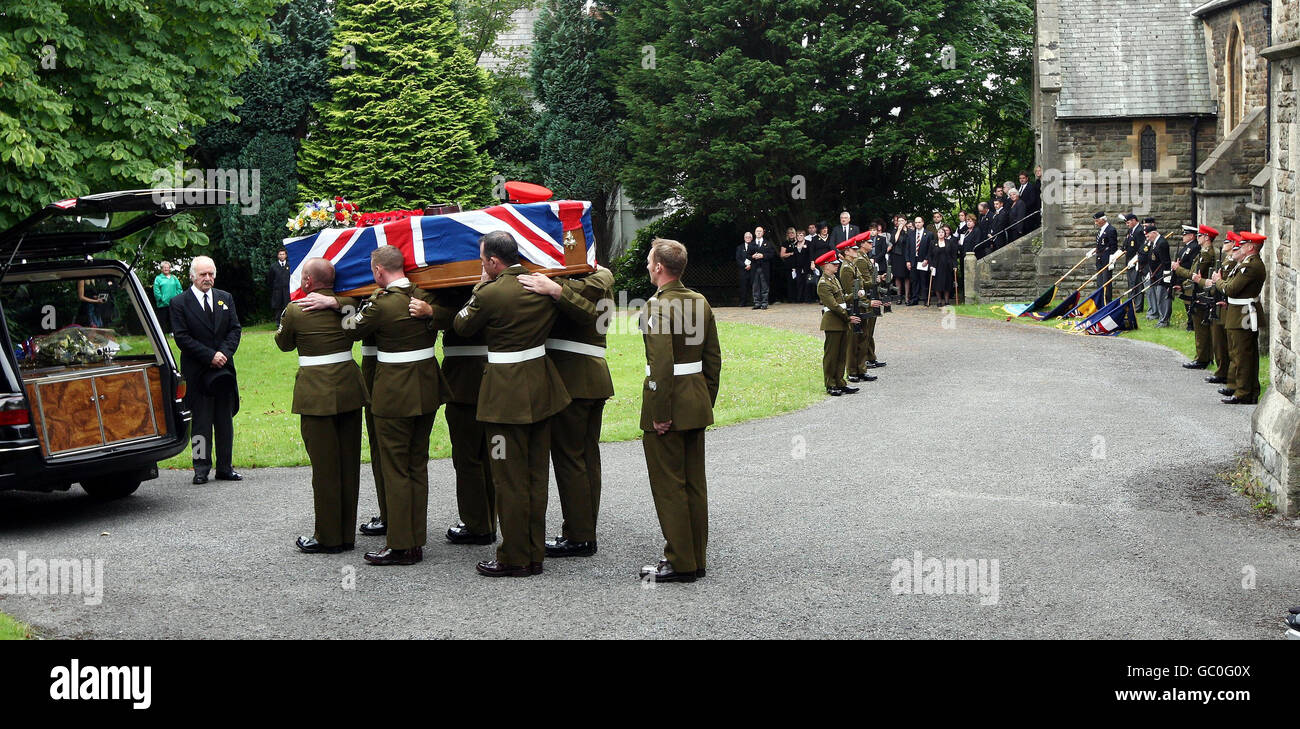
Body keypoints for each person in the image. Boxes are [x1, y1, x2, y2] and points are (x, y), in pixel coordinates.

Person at [454, 232, 571, 577]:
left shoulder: (490, 293)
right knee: (536, 476)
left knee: (508, 478)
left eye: (482, 261)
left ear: (492, 262)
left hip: (505, 400)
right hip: (541, 391)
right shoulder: (542, 286)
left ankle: (515, 557)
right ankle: (534, 553)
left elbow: (462, 326)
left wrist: (477, 288)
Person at [343, 245, 449, 566]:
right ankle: (415, 538)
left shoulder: (380, 305)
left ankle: (403, 545)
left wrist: (340, 302)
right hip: (427, 391)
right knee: (417, 465)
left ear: (378, 272)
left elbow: (350, 329)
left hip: (394, 396)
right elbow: (450, 315)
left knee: (396, 469)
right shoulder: (424, 297)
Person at [638, 238, 722, 583]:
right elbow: (713, 358)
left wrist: (660, 412)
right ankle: (695, 558)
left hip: (669, 405)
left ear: (659, 267)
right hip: (695, 401)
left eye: (649, 261)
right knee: (693, 484)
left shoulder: (656, 307)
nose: (646, 265)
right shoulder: (699, 301)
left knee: (669, 486)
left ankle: (680, 561)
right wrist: (705, 398)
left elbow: (661, 366)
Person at [517, 266, 615, 558]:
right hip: (593, 375)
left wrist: (554, 287)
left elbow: (584, 312)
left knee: (570, 459)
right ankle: (584, 530)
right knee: (586, 458)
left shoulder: (574, 286)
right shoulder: (598, 281)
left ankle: (579, 535)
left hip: (572, 377)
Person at [275, 258, 367, 554]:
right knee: (348, 465)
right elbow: (356, 310)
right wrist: (336, 302)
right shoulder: (349, 306)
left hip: (316, 395)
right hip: (349, 390)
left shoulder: (295, 310)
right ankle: (347, 535)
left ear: (307, 282)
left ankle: (329, 537)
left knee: (325, 469)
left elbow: (284, 343)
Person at [406, 287, 497, 545]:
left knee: (469, 457)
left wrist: (432, 311)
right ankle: (486, 520)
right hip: (488, 377)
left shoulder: (481, 292)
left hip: (465, 380)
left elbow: (464, 320)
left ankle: (478, 525)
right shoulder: (488, 287)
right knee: (486, 456)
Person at [171, 256, 243, 485]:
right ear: (192, 276)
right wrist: (209, 356)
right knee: (201, 424)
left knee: (224, 421)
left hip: (223, 371)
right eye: (203, 274)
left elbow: (235, 329)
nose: (208, 278)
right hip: (198, 372)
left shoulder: (225, 298)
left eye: (211, 274)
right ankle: (200, 468)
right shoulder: (179, 303)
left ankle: (225, 467)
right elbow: (182, 337)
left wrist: (223, 353)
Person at [1204, 232, 1266, 404]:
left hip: (1243, 314)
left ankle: (1244, 392)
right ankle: (1246, 389)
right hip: (1238, 311)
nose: (1241, 247)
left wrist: (1217, 281)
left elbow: (1231, 288)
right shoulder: (1246, 264)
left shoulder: (1251, 266)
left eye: (1244, 244)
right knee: (1239, 353)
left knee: (1242, 355)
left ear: (1251, 247)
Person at [1171, 225, 1218, 369]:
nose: (1198, 238)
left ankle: (1202, 358)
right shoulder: (1204, 252)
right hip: (1198, 291)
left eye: (1200, 236)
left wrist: (1178, 269)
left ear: (1206, 238)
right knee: (1201, 326)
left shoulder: (1206, 254)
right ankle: (1205, 356)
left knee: (1201, 328)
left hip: (1200, 292)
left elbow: (1195, 275)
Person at [815, 250, 860, 396]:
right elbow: (833, 305)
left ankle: (840, 381)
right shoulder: (823, 283)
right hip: (833, 322)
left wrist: (854, 294)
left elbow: (841, 300)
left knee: (841, 355)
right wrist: (848, 317)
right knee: (831, 355)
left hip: (841, 322)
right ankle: (830, 383)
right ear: (825, 266)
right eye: (833, 264)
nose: (836, 266)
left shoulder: (833, 279)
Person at [836, 240, 877, 385]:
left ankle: (861, 369)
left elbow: (862, 285)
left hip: (861, 305)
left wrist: (875, 280)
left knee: (863, 338)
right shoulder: (846, 268)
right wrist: (866, 301)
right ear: (846, 252)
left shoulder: (852, 265)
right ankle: (853, 371)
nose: (855, 250)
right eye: (852, 249)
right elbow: (851, 293)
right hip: (855, 306)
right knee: (853, 341)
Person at [1204, 232, 1239, 387]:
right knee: (1218, 340)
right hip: (1220, 301)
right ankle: (1221, 371)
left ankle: (1224, 373)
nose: (1224, 244)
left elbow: (1225, 283)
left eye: (1228, 241)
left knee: (1223, 342)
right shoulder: (1226, 260)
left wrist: (1212, 282)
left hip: (1225, 304)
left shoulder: (1232, 263)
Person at [1143, 220, 1171, 326]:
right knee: (1159, 298)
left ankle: (1164, 320)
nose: (1147, 238)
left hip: (1162, 276)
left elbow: (1166, 262)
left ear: (1154, 233)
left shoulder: (1162, 243)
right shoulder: (1155, 243)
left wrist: (1166, 278)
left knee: (1162, 298)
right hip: (1155, 275)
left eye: (1148, 235)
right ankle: (1161, 318)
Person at [1120, 214, 1146, 312]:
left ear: (1134, 220)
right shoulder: (1131, 230)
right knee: (1131, 283)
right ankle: (1131, 303)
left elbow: (1141, 247)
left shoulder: (1139, 231)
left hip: (1136, 261)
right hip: (1129, 260)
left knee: (1137, 283)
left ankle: (1138, 306)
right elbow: (1126, 244)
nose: (1127, 224)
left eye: (1128, 222)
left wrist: (1136, 259)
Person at [1091, 212, 1119, 304]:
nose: (1096, 223)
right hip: (1100, 259)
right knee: (1100, 281)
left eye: (1097, 220)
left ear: (1103, 219)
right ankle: (1100, 300)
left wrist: (1112, 258)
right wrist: (1094, 251)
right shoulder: (1100, 230)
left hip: (1107, 259)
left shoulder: (1111, 230)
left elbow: (1113, 246)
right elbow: (1101, 244)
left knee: (1106, 281)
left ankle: (1107, 301)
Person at [906, 217, 933, 306]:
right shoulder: (910, 234)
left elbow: (930, 248)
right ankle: (914, 299)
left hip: (923, 260)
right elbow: (907, 248)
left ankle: (926, 299)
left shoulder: (929, 234)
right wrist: (908, 261)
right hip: (913, 259)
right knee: (914, 280)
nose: (917, 224)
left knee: (923, 280)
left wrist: (927, 259)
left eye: (919, 222)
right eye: (916, 222)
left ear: (923, 223)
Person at [152, 261, 182, 335]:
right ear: (161, 269)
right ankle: (161, 334)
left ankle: (173, 332)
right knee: (162, 319)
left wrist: (176, 298)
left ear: (170, 269)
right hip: (162, 304)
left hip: (173, 303)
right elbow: (156, 290)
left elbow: (179, 288)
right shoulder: (158, 278)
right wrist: (161, 299)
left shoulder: (174, 278)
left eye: (167, 267)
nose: (166, 269)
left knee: (173, 319)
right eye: (164, 267)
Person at [930, 225, 957, 307]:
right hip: (936, 266)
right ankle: (939, 300)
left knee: (947, 283)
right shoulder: (932, 243)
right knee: (937, 284)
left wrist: (955, 265)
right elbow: (929, 255)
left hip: (947, 266)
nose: (941, 233)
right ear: (937, 234)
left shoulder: (950, 242)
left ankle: (946, 300)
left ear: (945, 234)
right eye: (939, 232)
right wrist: (931, 265)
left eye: (942, 232)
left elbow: (953, 255)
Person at [749, 226, 775, 309]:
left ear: (763, 233)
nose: (759, 233)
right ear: (755, 233)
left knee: (764, 286)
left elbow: (772, 254)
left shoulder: (767, 243)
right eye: (757, 231)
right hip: (754, 268)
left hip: (764, 268)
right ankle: (757, 303)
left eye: (760, 231)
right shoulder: (751, 244)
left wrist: (762, 255)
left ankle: (764, 303)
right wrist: (752, 256)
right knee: (755, 286)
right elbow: (747, 255)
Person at [268, 248, 292, 327]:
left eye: (283, 254)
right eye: (280, 254)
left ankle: (288, 322)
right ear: (278, 256)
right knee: (278, 307)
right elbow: (270, 279)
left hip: (287, 290)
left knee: (287, 306)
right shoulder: (273, 266)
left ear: (286, 255)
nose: (282, 256)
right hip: (277, 291)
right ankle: (278, 323)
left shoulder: (290, 265)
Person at [889, 216, 909, 302]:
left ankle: (907, 297)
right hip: (897, 256)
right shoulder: (894, 231)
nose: (900, 222)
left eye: (902, 221)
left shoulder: (910, 231)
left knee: (907, 277)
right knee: (897, 277)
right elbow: (893, 241)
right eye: (898, 221)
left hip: (907, 256)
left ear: (905, 222)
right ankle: (898, 297)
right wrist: (899, 230)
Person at [791, 226, 813, 303]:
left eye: (801, 235)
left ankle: (809, 299)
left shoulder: (809, 243)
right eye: (798, 235)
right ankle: (800, 299)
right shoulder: (795, 245)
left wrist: (812, 263)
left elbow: (811, 254)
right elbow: (794, 257)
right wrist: (793, 268)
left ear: (804, 236)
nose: (799, 237)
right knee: (799, 282)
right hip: (798, 267)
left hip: (808, 267)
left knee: (808, 282)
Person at [776, 227, 797, 303]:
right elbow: (782, 254)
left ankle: (799, 298)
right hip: (789, 266)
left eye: (792, 233)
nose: (791, 234)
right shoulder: (785, 243)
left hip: (798, 265)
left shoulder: (799, 242)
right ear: (787, 234)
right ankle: (791, 299)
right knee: (790, 282)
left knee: (798, 282)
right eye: (789, 233)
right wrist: (791, 253)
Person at [735, 232, 754, 307]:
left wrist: (751, 265)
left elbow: (756, 258)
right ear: (744, 238)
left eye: (749, 237)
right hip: (743, 270)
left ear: (752, 238)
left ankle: (755, 301)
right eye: (746, 237)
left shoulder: (755, 247)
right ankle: (743, 302)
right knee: (743, 286)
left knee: (754, 286)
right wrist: (744, 265)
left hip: (753, 269)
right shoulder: (739, 247)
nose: (748, 238)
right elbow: (738, 259)